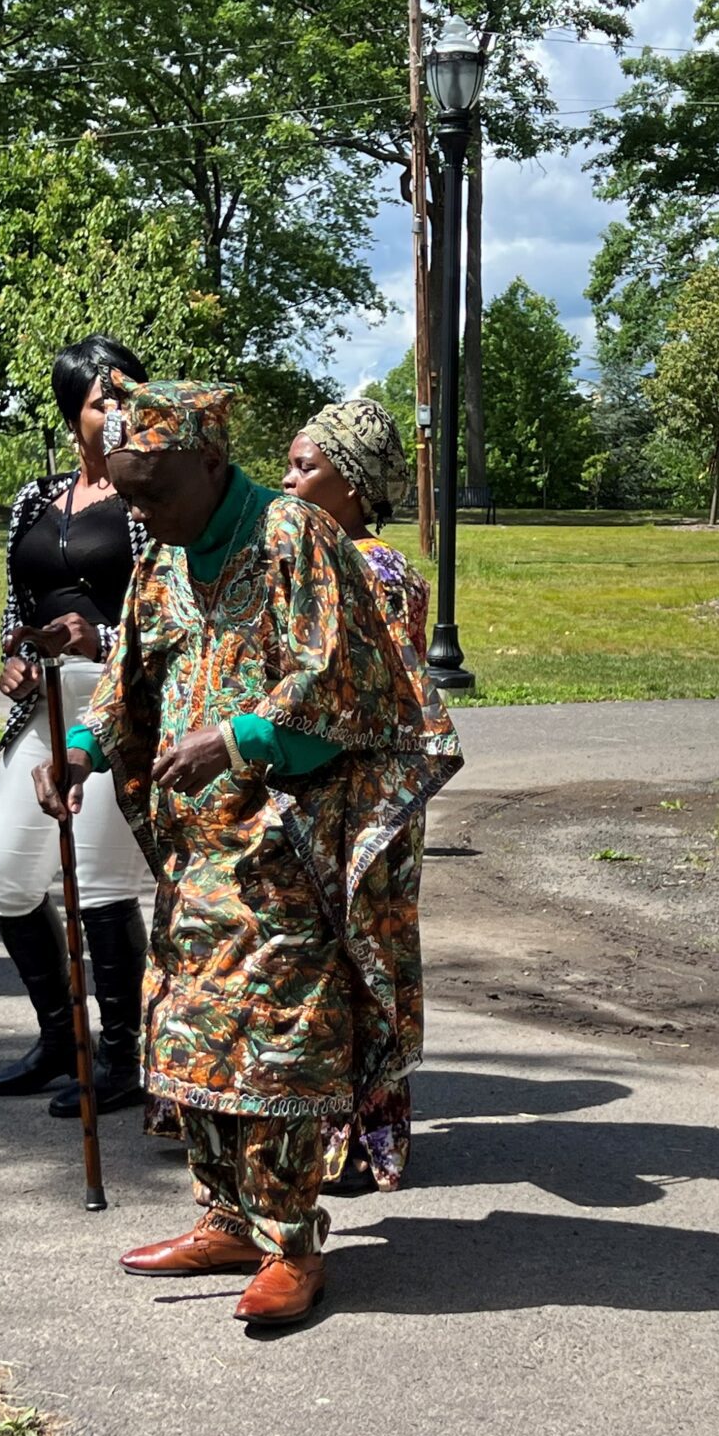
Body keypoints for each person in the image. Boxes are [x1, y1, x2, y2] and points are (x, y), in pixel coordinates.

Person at [31, 374, 460, 1327]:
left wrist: (236, 739)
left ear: (212, 461)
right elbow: (133, 678)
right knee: (195, 1029)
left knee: (278, 1042)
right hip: (197, 849)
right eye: (124, 492)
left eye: (151, 490)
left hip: (291, 843)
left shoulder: (292, 538)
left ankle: (293, 1244)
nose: (137, 511)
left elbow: (346, 689)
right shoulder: (164, 551)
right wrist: (80, 752)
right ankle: (225, 1215)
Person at [0, 335, 155, 1116]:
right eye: (102, 400)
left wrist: (106, 640)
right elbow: (16, 613)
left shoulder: (152, 500)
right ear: (71, 412)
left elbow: (176, 620)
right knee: (5, 875)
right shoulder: (32, 499)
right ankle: (62, 1038)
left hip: (120, 706)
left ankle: (123, 1055)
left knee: (102, 885)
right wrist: (12, 661)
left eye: (129, 397)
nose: (118, 411)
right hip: (43, 706)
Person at [281, 398, 429, 1192]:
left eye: (306, 467)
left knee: (360, 955)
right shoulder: (316, 555)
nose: (288, 479)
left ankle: (354, 1135)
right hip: (327, 789)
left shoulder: (375, 567)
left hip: (365, 800)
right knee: (332, 958)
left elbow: (362, 697)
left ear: (355, 482)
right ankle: (328, 1128)